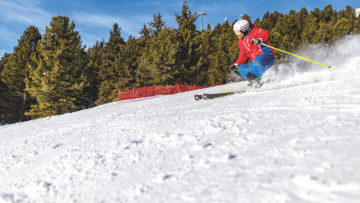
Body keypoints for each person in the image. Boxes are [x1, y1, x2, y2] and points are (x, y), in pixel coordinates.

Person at [229, 19, 275, 86]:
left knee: (255, 65)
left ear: (244, 30)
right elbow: (243, 54)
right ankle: (255, 81)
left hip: (266, 55)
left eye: (238, 32)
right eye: (235, 32)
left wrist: (259, 39)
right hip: (256, 62)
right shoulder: (241, 41)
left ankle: (261, 79)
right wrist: (236, 64)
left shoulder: (255, 31)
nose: (237, 35)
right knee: (241, 68)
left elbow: (264, 33)